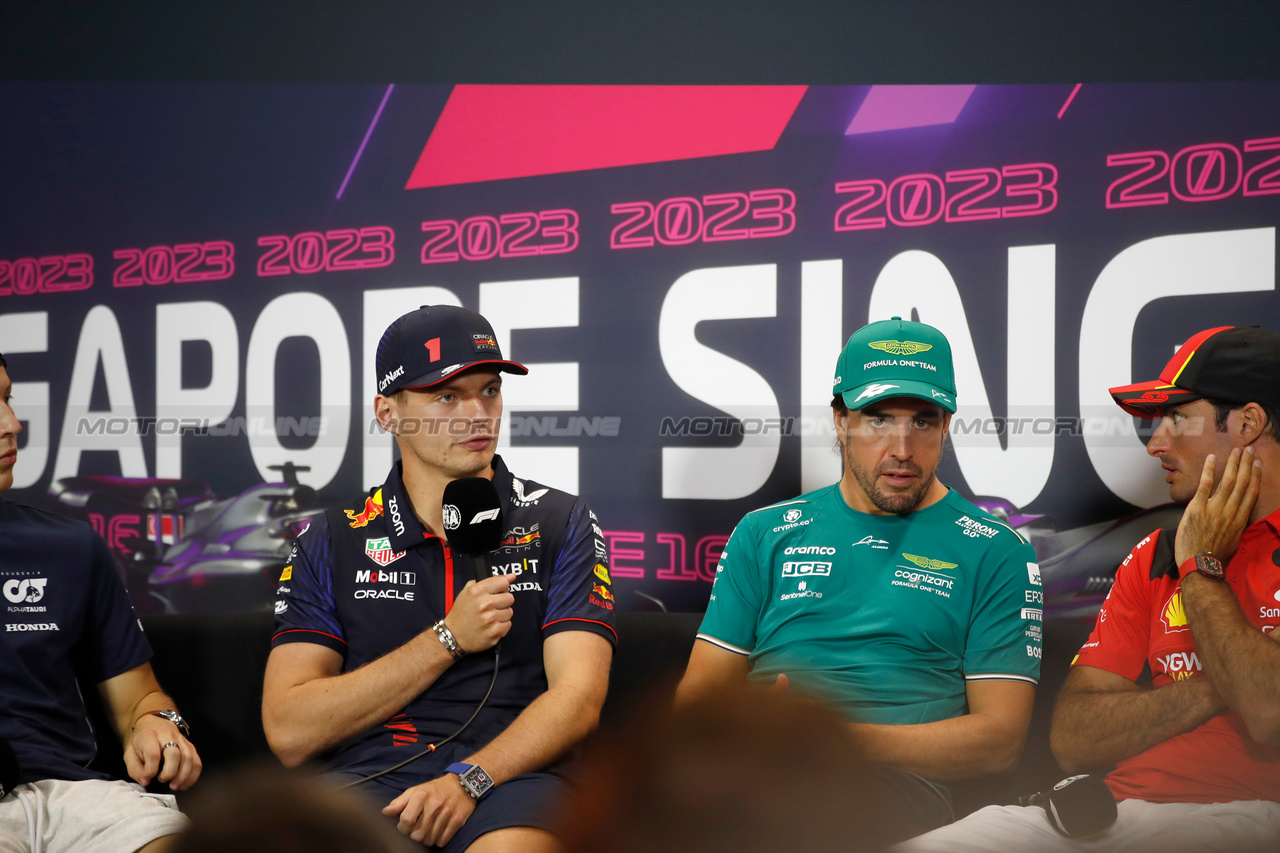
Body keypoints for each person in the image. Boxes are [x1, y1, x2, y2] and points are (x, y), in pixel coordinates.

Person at [898, 324, 1280, 852]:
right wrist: (1228, 682)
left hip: (1246, 814)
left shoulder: (1186, 555)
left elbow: (1268, 713)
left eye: (1176, 416)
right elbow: (1075, 738)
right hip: (1106, 812)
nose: (1157, 443)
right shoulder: (1154, 555)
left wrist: (1202, 566)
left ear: (1248, 423)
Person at [262, 305, 616, 852]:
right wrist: (446, 640)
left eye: (490, 390)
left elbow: (578, 700)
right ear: (388, 412)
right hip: (372, 780)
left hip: (513, 779)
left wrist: (469, 779)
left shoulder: (558, 520)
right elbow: (289, 731)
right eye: (446, 396)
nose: (478, 414)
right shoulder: (331, 538)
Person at [674, 317, 1043, 838]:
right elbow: (696, 698)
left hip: (891, 789)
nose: (902, 448)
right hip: (752, 773)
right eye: (878, 418)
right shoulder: (764, 532)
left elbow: (999, 742)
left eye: (923, 420)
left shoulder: (995, 550)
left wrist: (830, 739)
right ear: (840, 420)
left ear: (947, 427)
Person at [0, 352, 201, 852]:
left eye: (7, 399)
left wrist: (158, 725)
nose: (12, 424)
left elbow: (138, 698)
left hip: (75, 796)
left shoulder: (69, 545)